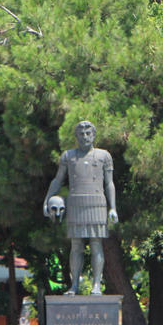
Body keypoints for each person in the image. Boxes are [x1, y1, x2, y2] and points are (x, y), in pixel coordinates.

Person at [43, 121, 118, 295]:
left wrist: (112, 207)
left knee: (96, 244)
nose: (85, 137)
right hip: (75, 203)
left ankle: (96, 285)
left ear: (94, 135)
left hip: (97, 203)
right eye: (81, 134)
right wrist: (47, 201)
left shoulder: (104, 156)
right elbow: (57, 180)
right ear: (76, 136)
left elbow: (109, 183)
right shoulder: (68, 156)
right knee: (76, 245)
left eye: (88, 133)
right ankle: (74, 285)